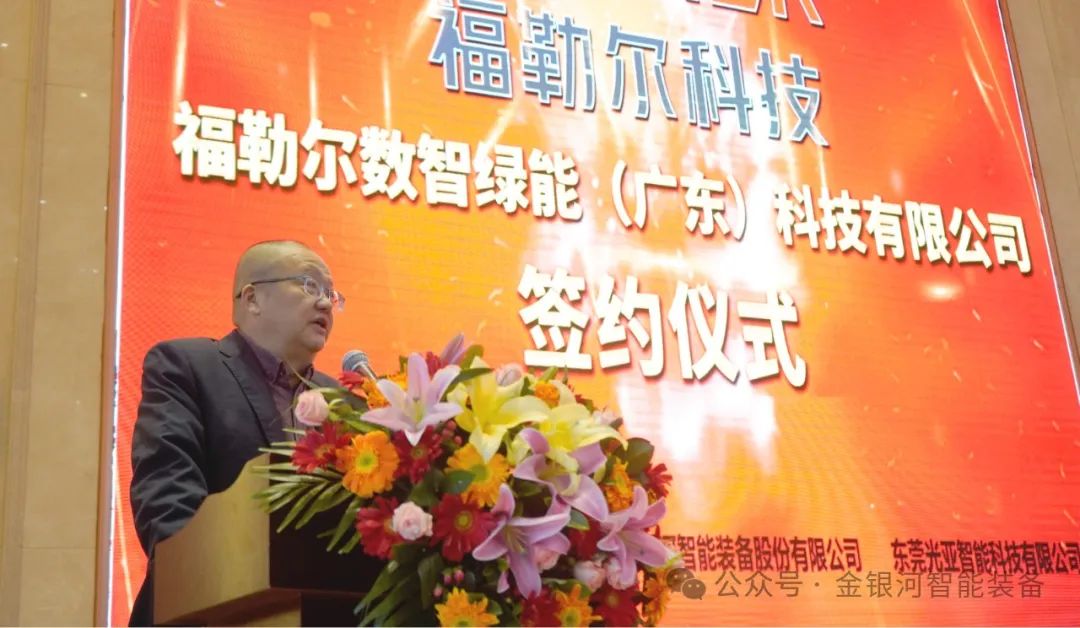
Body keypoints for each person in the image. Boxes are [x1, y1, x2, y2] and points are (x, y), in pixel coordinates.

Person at [128, 240, 344, 626]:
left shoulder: (347, 403)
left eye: (331, 294)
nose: (326, 303)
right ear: (252, 298)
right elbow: (167, 501)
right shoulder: (187, 367)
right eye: (309, 285)